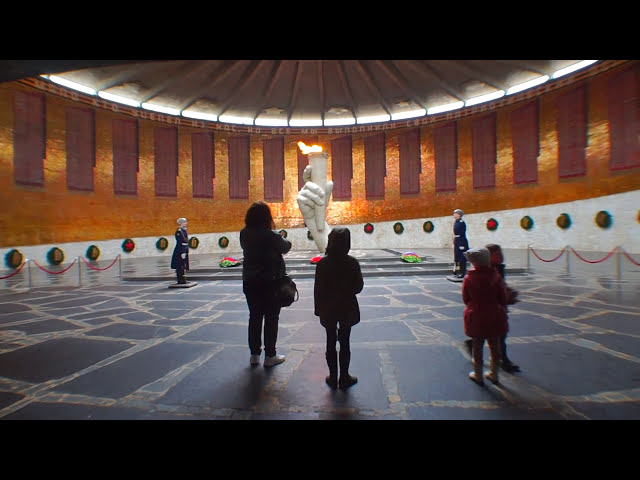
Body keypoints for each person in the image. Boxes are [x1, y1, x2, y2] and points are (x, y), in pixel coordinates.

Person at [240, 201, 292, 367]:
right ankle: (270, 355)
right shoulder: (271, 235)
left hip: (250, 282)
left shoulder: (244, 234)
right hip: (270, 283)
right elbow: (286, 247)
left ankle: (254, 355)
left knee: (254, 317)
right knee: (271, 318)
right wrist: (280, 237)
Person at [314, 227, 364, 390]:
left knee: (330, 342)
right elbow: (358, 287)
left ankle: (333, 376)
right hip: (346, 307)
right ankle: (344, 376)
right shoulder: (351, 263)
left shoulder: (323, 264)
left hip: (328, 308)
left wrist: (318, 309)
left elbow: (318, 290)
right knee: (345, 342)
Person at [463, 244, 521, 373]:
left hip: (489, 310)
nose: (501, 256)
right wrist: (504, 298)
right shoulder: (492, 272)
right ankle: (498, 366)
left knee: (493, 337)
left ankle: (492, 366)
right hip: (493, 310)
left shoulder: (493, 270)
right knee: (491, 337)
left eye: (501, 253)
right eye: (497, 253)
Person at [461, 247, 508, 386]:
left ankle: (478, 374)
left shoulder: (469, 278)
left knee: (477, 346)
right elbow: (502, 297)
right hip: (495, 314)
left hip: (476, 315)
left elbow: (466, 298)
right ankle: (494, 374)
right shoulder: (496, 276)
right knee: (495, 346)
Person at [170, 217, 190, 284]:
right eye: (185, 222)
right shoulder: (179, 231)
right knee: (180, 266)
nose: (186, 223)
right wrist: (182, 252)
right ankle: (180, 280)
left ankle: (183, 279)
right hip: (180, 251)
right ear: (181, 223)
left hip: (184, 249)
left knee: (183, 265)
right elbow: (180, 242)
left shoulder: (183, 230)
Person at [452, 208, 469, 278]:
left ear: (458, 215)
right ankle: (457, 271)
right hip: (457, 241)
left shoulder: (461, 222)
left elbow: (461, 233)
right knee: (457, 257)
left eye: (455, 214)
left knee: (462, 257)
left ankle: (462, 272)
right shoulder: (457, 221)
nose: (453, 215)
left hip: (461, 241)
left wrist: (462, 244)